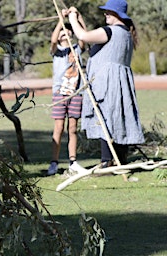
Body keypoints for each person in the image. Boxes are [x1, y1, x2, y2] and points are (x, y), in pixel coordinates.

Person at [66, 0, 144, 167]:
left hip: (107, 82)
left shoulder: (110, 31)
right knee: (116, 118)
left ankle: (107, 161)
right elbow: (89, 39)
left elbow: (83, 36)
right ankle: (118, 159)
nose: (105, 14)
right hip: (118, 81)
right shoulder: (124, 32)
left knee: (105, 119)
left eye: (108, 12)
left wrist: (72, 18)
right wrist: (79, 18)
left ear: (117, 14)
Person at [47, 15, 87, 176]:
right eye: (62, 32)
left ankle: (73, 162)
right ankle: (54, 163)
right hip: (60, 94)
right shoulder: (57, 51)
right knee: (58, 128)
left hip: (76, 93)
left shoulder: (77, 49)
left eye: (67, 31)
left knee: (72, 129)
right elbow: (53, 40)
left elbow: (84, 34)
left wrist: (77, 17)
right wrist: (60, 21)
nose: (65, 33)